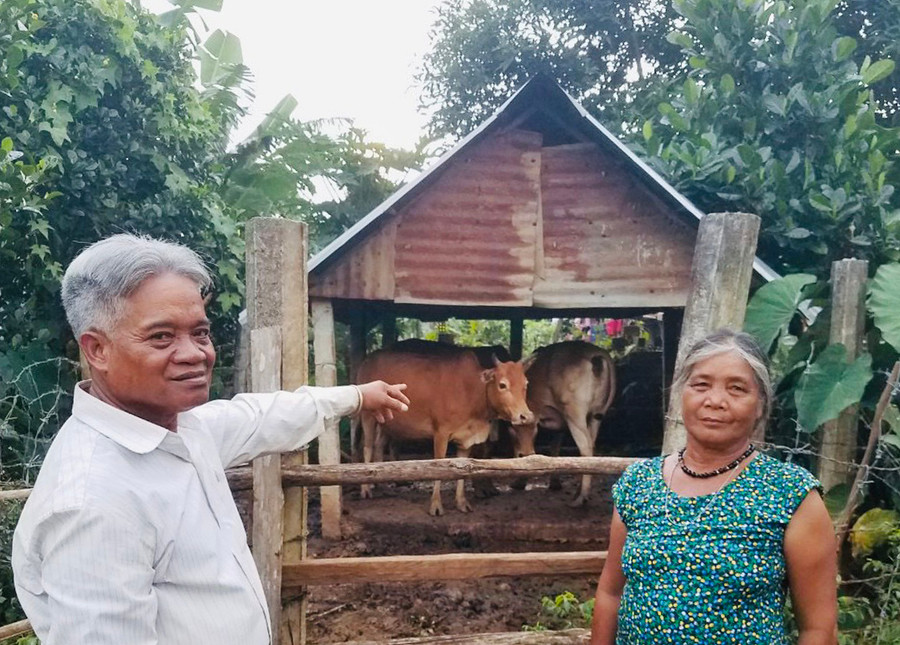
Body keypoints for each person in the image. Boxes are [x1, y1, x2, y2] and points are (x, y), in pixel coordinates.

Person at [12, 233, 410, 645]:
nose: (195, 353)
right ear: (97, 350)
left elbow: (261, 416)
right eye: (161, 336)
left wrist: (357, 396)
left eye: (200, 333)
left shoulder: (182, 430)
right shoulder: (94, 503)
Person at [591, 329, 837, 645]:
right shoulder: (638, 484)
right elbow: (610, 593)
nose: (715, 401)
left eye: (737, 389)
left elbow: (818, 629)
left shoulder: (790, 495)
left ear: (761, 404)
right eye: (701, 385)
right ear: (681, 393)